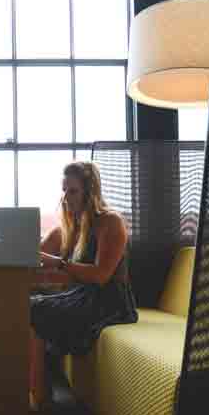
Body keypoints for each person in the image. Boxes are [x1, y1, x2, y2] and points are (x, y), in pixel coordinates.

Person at [32, 161, 138, 400]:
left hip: (110, 302)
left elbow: (101, 276)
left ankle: (40, 397)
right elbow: (36, 255)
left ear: (90, 193)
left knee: (34, 308)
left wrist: (58, 262)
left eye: (73, 191)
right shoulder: (70, 226)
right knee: (27, 302)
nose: (66, 198)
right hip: (81, 296)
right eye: (64, 191)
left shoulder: (110, 222)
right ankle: (31, 389)